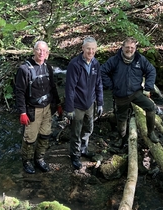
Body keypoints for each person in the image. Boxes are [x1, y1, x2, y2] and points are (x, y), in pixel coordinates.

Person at [100, 37, 160, 145]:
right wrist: (111, 85)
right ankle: (121, 138)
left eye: (132, 47)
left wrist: (148, 86)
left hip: (136, 92)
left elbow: (151, 70)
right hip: (120, 94)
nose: (130, 50)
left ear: (135, 48)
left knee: (151, 107)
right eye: (127, 47)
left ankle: (150, 132)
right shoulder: (115, 60)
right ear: (122, 48)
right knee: (121, 117)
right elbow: (102, 71)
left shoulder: (140, 59)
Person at [15, 41, 62, 174]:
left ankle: (39, 158)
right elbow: (19, 92)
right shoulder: (24, 69)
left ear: (47, 53)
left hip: (47, 108)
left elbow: (53, 87)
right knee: (30, 138)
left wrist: (58, 104)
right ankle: (27, 161)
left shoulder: (48, 67)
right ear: (34, 51)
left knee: (45, 134)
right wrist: (22, 112)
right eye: (39, 50)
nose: (42, 53)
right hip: (32, 109)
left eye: (44, 51)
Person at [64, 37, 104, 170]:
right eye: (88, 48)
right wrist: (69, 109)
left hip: (90, 104)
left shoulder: (95, 64)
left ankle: (83, 149)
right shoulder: (75, 65)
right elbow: (70, 88)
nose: (90, 51)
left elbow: (99, 84)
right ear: (82, 49)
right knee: (76, 131)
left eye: (93, 49)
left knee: (88, 128)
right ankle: (75, 156)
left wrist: (100, 103)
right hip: (77, 105)